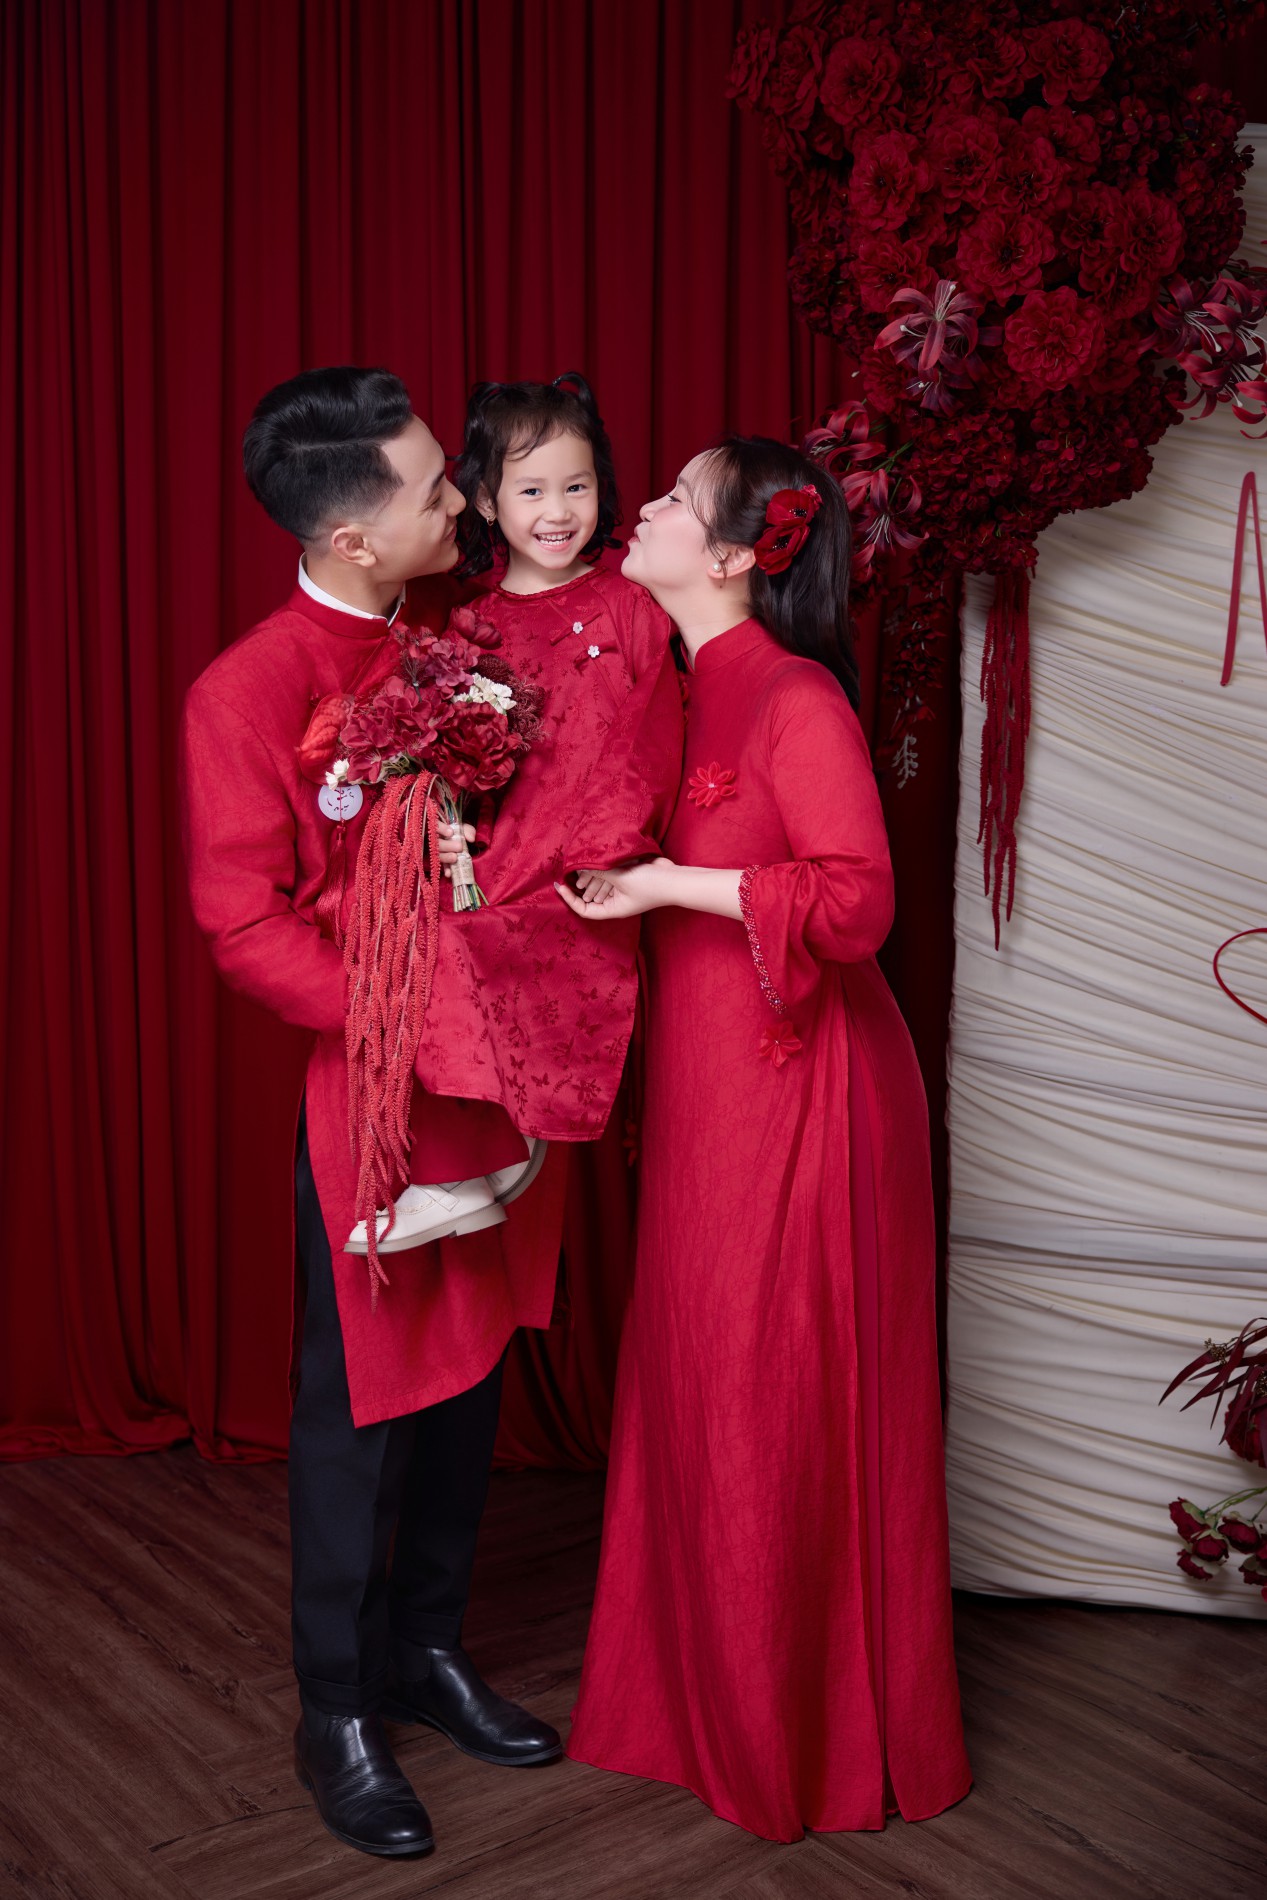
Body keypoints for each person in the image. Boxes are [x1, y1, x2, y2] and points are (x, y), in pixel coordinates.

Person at [557, 437, 973, 1841]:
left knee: (768, 1392)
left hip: (803, 1093)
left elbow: (855, 904)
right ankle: (691, 1704)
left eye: (674, 499)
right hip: (708, 1087)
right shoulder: (683, 689)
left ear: (738, 554)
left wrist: (671, 883)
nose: (641, 508)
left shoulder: (793, 694)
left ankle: (795, 1738)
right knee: (702, 1377)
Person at [180, 366, 564, 1863]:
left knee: (469, 1383)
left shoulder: (456, 643)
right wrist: (404, 1011)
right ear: (351, 537)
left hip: (492, 1081)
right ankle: (335, 1706)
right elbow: (242, 924)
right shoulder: (248, 690)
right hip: (373, 1093)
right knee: (358, 1411)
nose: (463, 501)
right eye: (434, 489)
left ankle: (428, 1652)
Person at [362, 373, 683, 1251]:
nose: (558, 510)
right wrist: (445, 828)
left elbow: (651, 736)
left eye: (576, 486)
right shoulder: (469, 622)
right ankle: (474, 1156)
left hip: (588, 859)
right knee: (427, 944)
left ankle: (493, 1152)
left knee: (508, 952)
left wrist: (609, 848)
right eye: (531, 491)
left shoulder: (629, 605)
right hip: (498, 850)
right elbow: (446, 755)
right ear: (486, 503)